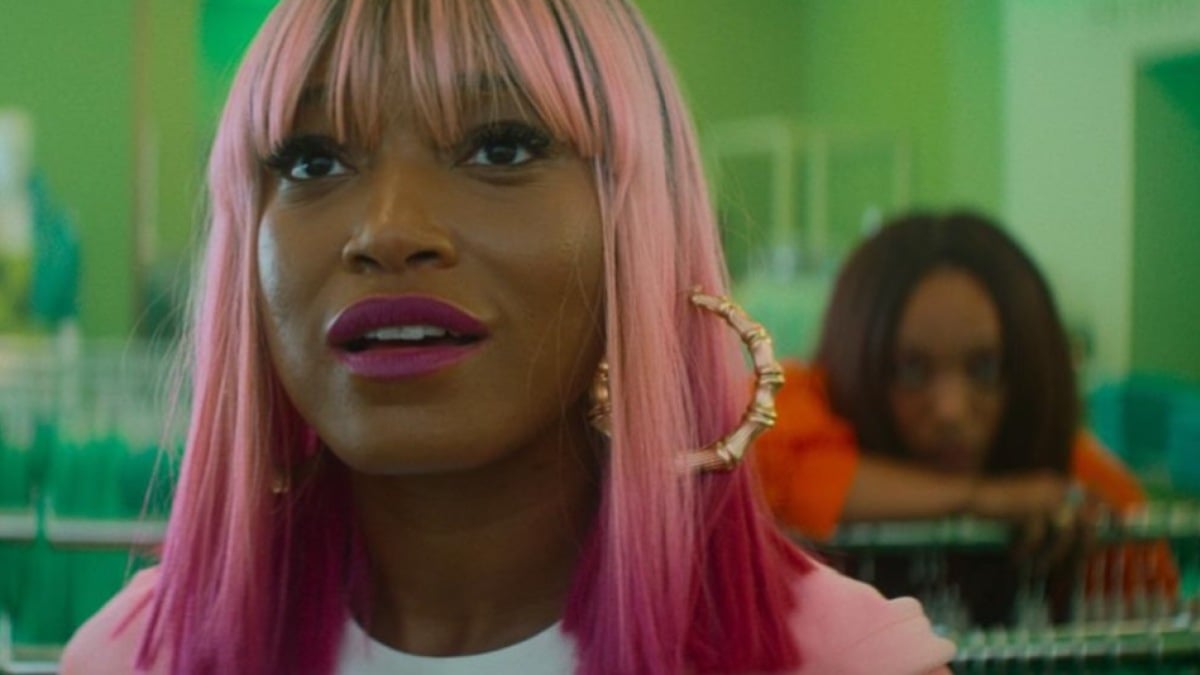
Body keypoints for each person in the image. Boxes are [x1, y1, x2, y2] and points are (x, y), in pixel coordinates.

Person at [62, 1, 954, 673]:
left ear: (636, 224)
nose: (388, 230)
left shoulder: (842, 660)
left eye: (500, 148)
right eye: (313, 160)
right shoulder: (129, 659)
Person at [755, 210, 1165, 626]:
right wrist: (989, 499)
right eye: (911, 370)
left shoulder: (1077, 485)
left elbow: (1149, 598)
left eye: (985, 369)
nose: (950, 410)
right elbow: (767, 468)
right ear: (859, 362)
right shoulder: (803, 401)